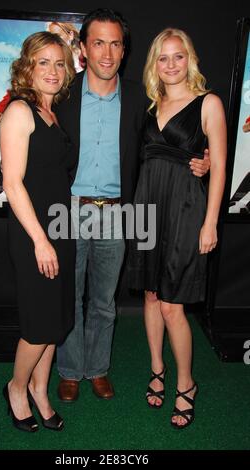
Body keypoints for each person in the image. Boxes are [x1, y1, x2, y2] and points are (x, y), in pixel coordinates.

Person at [55, 9, 210, 403]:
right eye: (98, 42)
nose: (107, 52)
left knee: (105, 302)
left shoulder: (145, 100)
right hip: (68, 210)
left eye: (116, 43)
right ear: (84, 48)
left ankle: (98, 369)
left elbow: (170, 141)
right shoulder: (63, 96)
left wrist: (202, 160)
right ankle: (71, 371)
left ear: (124, 50)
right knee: (68, 297)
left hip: (120, 213)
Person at [128, 28, 227, 428]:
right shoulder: (149, 106)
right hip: (148, 207)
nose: (171, 64)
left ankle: (186, 383)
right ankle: (157, 369)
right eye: (163, 58)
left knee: (173, 305)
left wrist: (211, 222)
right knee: (151, 297)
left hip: (187, 210)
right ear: (155, 64)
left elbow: (217, 165)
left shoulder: (209, 103)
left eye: (178, 56)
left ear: (190, 59)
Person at [0, 31, 76, 432]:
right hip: (35, 234)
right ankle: (16, 386)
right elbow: (13, 184)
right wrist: (41, 240)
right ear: (27, 66)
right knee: (39, 323)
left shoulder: (52, 113)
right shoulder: (19, 111)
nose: (52, 70)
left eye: (59, 63)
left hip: (60, 228)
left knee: (57, 319)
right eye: (43, 62)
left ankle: (41, 391)